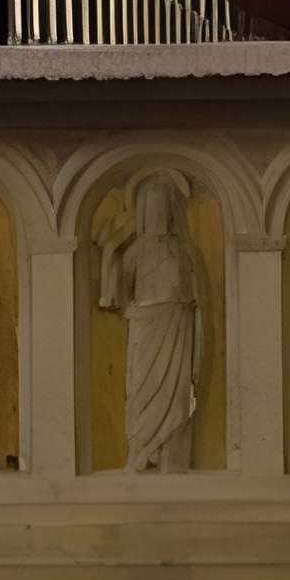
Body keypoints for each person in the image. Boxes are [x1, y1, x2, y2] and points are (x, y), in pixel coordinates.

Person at [99, 173, 203, 473]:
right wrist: (109, 252)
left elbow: (197, 302)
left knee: (176, 392)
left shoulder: (184, 251)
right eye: (149, 206)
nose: (156, 214)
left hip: (177, 328)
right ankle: (141, 451)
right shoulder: (136, 251)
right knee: (141, 390)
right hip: (145, 329)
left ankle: (171, 455)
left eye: (161, 206)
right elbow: (112, 296)